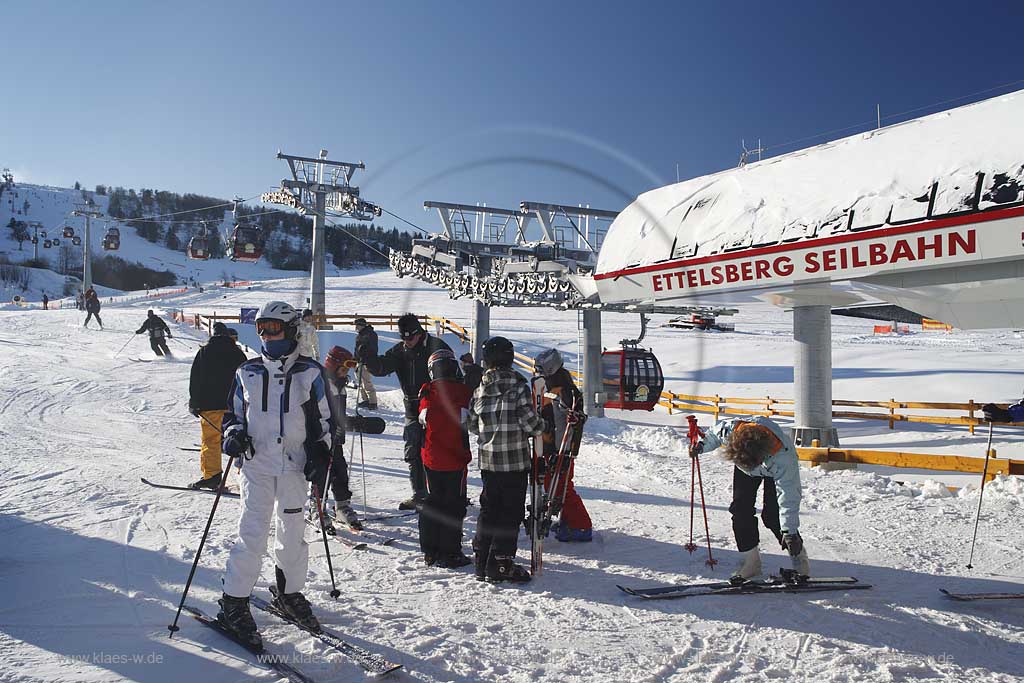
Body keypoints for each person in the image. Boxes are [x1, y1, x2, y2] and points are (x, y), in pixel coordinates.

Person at [217, 300, 333, 646]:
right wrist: (234, 435)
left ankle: (288, 591)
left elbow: (324, 421)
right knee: (252, 533)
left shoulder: (310, 373)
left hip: (294, 466)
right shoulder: (246, 372)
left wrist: (320, 451)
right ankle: (234, 601)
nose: (266, 335)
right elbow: (232, 416)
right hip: (257, 465)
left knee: (293, 530)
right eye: (261, 329)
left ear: (291, 331)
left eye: (274, 329)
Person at [690, 415, 809, 582]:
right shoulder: (732, 430)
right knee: (740, 510)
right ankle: (751, 563)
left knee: (773, 515)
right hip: (745, 459)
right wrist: (702, 446)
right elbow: (714, 435)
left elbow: (788, 497)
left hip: (770, 465)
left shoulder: (783, 457)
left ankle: (800, 562)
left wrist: (790, 532)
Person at [467, 336, 544, 583]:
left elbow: (471, 424)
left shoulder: (479, 389)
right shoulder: (519, 387)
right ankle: (500, 562)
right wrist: (543, 424)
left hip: (489, 462)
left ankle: (481, 560)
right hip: (514, 463)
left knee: (489, 510)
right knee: (510, 512)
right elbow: (530, 424)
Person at [360, 313, 452, 510]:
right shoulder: (401, 350)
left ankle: (442, 494)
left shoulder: (437, 347)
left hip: (436, 409)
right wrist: (368, 357)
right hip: (412, 408)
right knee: (413, 451)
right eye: (403, 338)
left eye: (410, 337)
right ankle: (419, 494)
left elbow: (453, 378)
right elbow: (382, 367)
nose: (407, 342)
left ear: (419, 333)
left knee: (437, 453)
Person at [417, 349, 473, 568]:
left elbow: (422, 418)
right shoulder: (463, 391)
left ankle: (430, 550)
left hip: (431, 458)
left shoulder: (426, 391)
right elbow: (472, 419)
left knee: (434, 502)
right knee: (454, 506)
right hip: (456, 459)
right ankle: (450, 552)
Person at [533, 348, 592, 542]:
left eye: (541, 369)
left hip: (563, 446)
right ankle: (568, 520)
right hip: (550, 443)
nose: (538, 372)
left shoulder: (565, 389)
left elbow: (579, 415)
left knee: (561, 487)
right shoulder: (545, 386)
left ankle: (582, 525)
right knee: (554, 485)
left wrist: (575, 419)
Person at [187, 322, 247, 490]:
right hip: (234, 406)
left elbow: (195, 379)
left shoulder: (204, 352)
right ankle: (246, 475)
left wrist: (194, 402)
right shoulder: (237, 353)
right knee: (239, 437)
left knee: (211, 441)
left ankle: (212, 476)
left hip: (210, 405)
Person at [314, 345, 363, 531]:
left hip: (336, 438)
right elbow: (318, 414)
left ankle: (342, 506)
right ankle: (317, 506)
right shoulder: (322, 385)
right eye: (343, 369)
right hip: (321, 438)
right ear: (332, 365)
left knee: (340, 470)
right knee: (320, 473)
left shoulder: (340, 386)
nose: (345, 374)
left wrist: (351, 423)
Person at [353, 318, 379, 410]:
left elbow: (372, 349)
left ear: (361, 325)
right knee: (360, 382)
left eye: (357, 325)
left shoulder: (370, 334)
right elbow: (357, 349)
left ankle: (373, 402)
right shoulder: (360, 335)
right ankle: (365, 400)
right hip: (359, 361)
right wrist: (355, 358)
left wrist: (366, 356)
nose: (356, 327)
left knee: (367, 382)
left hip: (367, 361)